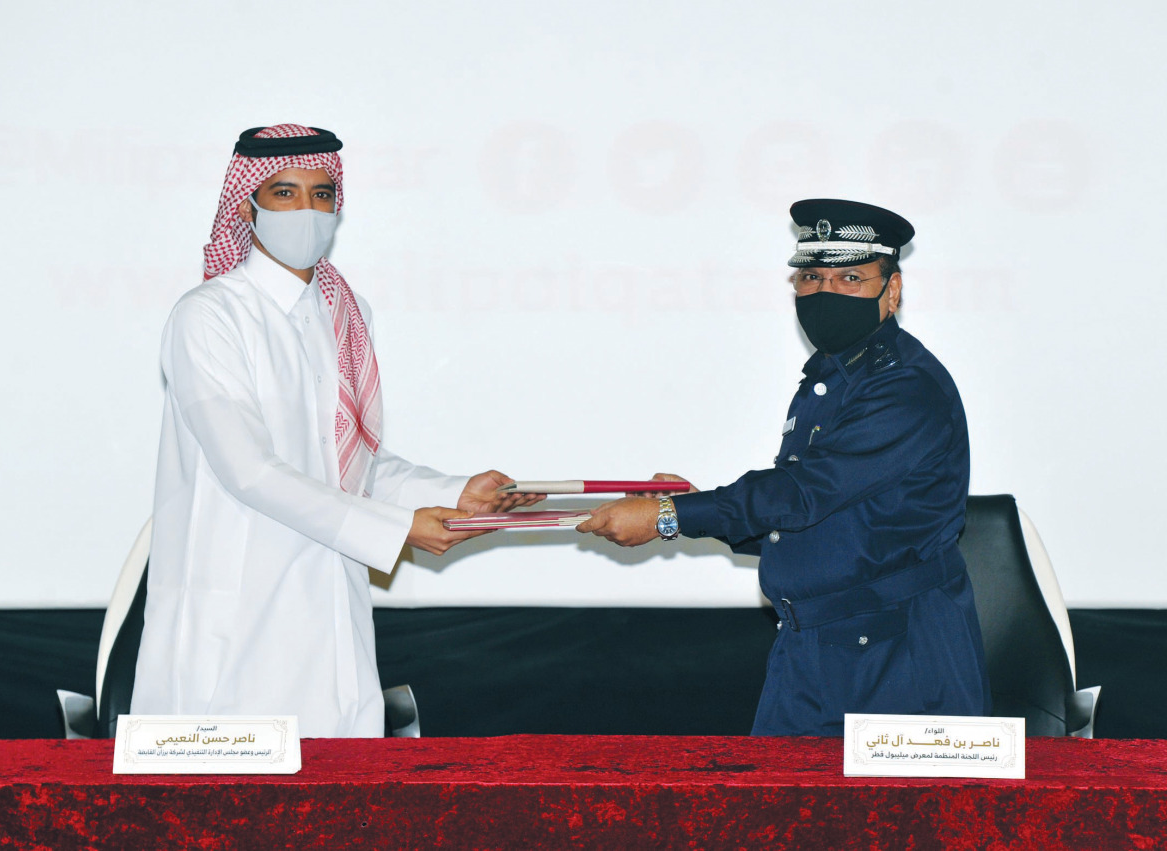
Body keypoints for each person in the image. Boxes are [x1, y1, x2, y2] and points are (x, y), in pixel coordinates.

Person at [131, 124, 538, 737]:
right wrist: (398, 529)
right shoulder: (209, 315)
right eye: (286, 193)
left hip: (331, 603)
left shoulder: (344, 312)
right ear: (248, 205)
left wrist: (454, 494)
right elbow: (249, 470)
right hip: (240, 611)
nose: (307, 210)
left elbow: (348, 462)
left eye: (322, 195)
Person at [578, 199, 990, 736]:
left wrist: (671, 515)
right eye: (811, 277)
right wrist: (694, 507)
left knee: (892, 820)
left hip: (898, 654)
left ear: (892, 291)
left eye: (850, 278)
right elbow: (813, 521)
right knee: (777, 815)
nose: (825, 293)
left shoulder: (904, 387)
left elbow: (801, 493)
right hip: (813, 643)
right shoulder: (831, 379)